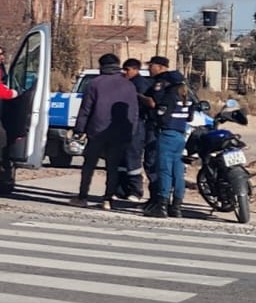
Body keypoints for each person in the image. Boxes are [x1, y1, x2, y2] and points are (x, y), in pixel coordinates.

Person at [69, 53, 138, 210]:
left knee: (89, 165)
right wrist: (131, 132)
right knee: (112, 167)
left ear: (102, 66)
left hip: (97, 130)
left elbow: (86, 109)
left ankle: (82, 196)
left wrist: (79, 129)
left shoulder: (95, 83)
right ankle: (107, 199)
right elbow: (134, 112)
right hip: (120, 133)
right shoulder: (129, 85)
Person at [142, 57, 193, 217]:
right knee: (178, 171)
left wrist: (156, 118)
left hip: (167, 134)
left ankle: (162, 205)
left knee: (164, 170)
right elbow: (190, 118)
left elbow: (161, 115)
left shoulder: (170, 96)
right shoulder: (187, 98)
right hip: (180, 134)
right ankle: (177, 206)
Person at [117, 58, 149, 201]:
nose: (125, 72)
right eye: (123, 69)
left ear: (136, 69)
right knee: (121, 158)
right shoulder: (124, 83)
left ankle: (136, 191)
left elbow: (143, 104)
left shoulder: (140, 84)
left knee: (133, 158)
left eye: (127, 69)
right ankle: (121, 189)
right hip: (124, 124)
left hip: (137, 125)